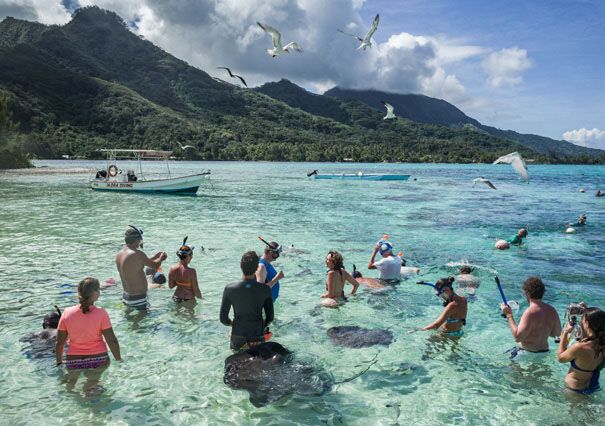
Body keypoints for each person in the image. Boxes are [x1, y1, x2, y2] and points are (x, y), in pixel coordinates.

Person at [55, 277, 121, 370]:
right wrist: (119, 360)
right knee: (94, 383)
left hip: (73, 360)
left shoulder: (67, 312)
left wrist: (59, 362)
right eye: (98, 289)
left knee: (71, 383)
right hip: (98, 358)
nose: (99, 292)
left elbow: (60, 342)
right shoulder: (101, 313)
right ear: (94, 293)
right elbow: (111, 340)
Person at [221, 251, 274, 351]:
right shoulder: (265, 289)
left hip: (238, 334)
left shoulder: (229, 289)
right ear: (257, 268)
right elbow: (270, 318)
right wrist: (263, 324)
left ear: (241, 265)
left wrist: (233, 324)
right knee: (257, 363)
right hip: (257, 334)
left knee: (236, 364)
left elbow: (223, 319)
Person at [501, 276, 561, 357]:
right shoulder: (552, 310)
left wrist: (509, 315)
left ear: (527, 293)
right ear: (542, 293)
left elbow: (518, 337)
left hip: (527, 354)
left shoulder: (530, 312)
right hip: (544, 353)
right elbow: (557, 334)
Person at [115, 225, 167, 309]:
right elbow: (155, 265)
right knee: (143, 320)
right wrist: (161, 258)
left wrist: (154, 257)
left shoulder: (120, 254)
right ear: (137, 240)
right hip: (138, 298)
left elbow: (137, 264)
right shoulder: (137, 254)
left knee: (130, 320)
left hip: (126, 296)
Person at [557, 307, 604, 394]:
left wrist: (565, 333)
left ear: (586, 322)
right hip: (591, 385)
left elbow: (560, 358)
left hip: (573, 388)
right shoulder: (601, 344)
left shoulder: (580, 347)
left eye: (582, 319)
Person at [168, 238, 202, 303]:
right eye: (191, 255)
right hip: (188, 300)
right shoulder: (192, 271)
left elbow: (170, 286)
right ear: (189, 257)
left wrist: (179, 282)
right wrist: (203, 300)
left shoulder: (172, 269)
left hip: (176, 298)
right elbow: (196, 291)